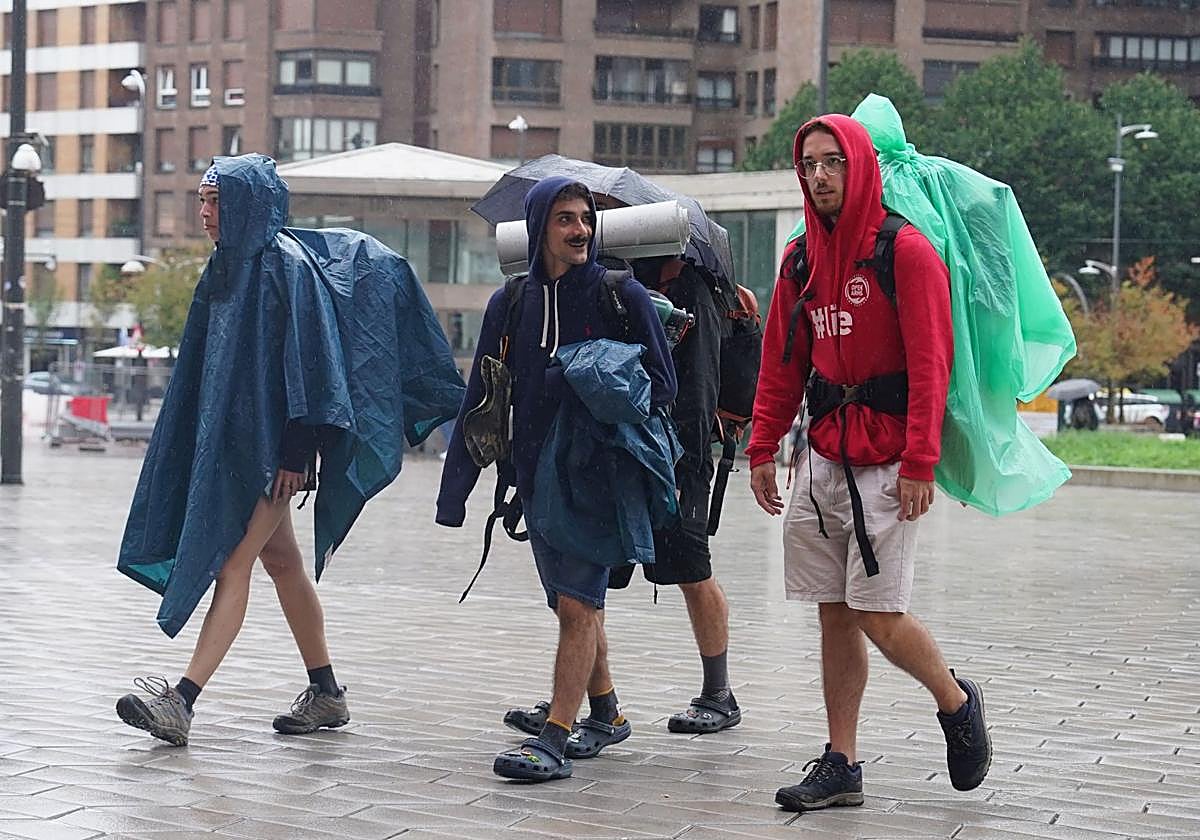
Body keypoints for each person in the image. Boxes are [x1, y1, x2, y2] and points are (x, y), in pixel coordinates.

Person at [115, 155, 463, 746]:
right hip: (248, 449)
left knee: (232, 565)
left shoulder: (284, 267)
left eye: (215, 201)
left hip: (274, 456)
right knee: (282, 564)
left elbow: (313, 366)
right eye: (202, 200)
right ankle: (326, 692)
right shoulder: (230, 266)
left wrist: (295, 457)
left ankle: (182, 701)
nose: (204, 213)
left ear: (246, 204)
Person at [746, 115, 991, 811]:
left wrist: (921, 460)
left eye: (833, 162)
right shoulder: (800, 260)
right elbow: (781, 362)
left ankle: (955, 701)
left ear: (861, 167)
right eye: (809, 165)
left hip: (887, 461)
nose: (819, 176)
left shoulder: (905, 251)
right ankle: (842, 762)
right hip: (822, 456)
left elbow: (932, 363)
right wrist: (762, 446)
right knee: (833, 614)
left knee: (878, 615)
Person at [437, 177, 677, 782]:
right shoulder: (511, 303)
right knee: (571, 603)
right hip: (532, 476)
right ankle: (607, 712)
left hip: (601, 475)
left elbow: (663, 385)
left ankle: (554, 737)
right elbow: (481, 392)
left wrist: (586, 372)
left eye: (585, 218)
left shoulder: (621, 294)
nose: (580, 230)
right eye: (565, 218)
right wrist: (454, 491)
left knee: (576, 603)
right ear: (539, 227)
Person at [504, 249, 742, 740]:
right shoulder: (602, 278)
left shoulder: (687, 285)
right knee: (583, 587)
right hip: (610, 455)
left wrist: (682, 464)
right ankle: (592, 701)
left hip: (670, 455)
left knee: (690, 570)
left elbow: (695, 384)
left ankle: (718, 692)